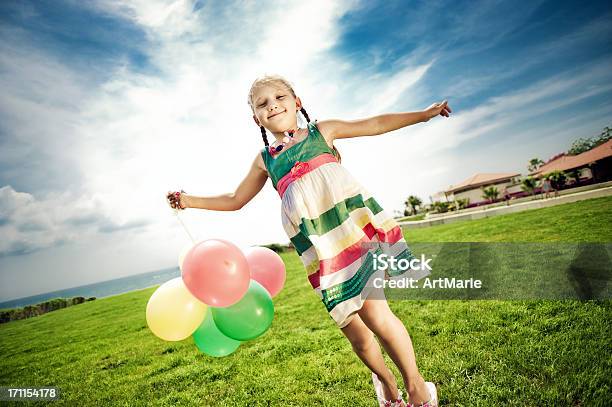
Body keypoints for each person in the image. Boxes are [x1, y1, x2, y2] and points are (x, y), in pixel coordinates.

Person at [166, 75, 451, 407]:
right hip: (321, 250)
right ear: (255, 118)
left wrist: (423, 114)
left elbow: (374, 123)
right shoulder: (265, 159)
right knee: (357, 335)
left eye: (280, 97)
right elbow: (235, 198)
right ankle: (388, 385)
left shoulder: (321, 132)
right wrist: (190, 200)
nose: (272, 104)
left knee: (375, 315)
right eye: (262, 103)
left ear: (296, 102)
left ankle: (418, 390)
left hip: (352, 235)